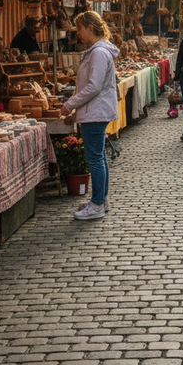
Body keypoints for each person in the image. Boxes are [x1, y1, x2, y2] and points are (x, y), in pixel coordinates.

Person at [59, 12, 119, 220]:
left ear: (90, 29)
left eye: (80, 28)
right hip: (95, 110)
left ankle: (97, 204)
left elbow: (93, 86)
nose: (78, 33)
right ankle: (101, 199)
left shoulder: (99, 53)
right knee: (99, 158)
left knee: (95, 159)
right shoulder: (96, 51)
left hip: (95, 111)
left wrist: (70, 104)